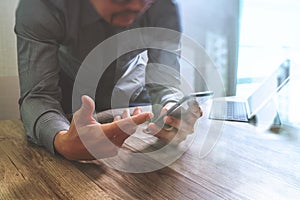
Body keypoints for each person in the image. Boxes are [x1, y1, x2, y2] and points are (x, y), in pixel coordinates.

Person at [15, 0, 203, 161]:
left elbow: (165, 82)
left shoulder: (164, 6)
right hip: (66, 108)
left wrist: (170, 108)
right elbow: (38, 95)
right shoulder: (42, 5)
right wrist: (62, 141)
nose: (137, 6)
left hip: (133, 101)